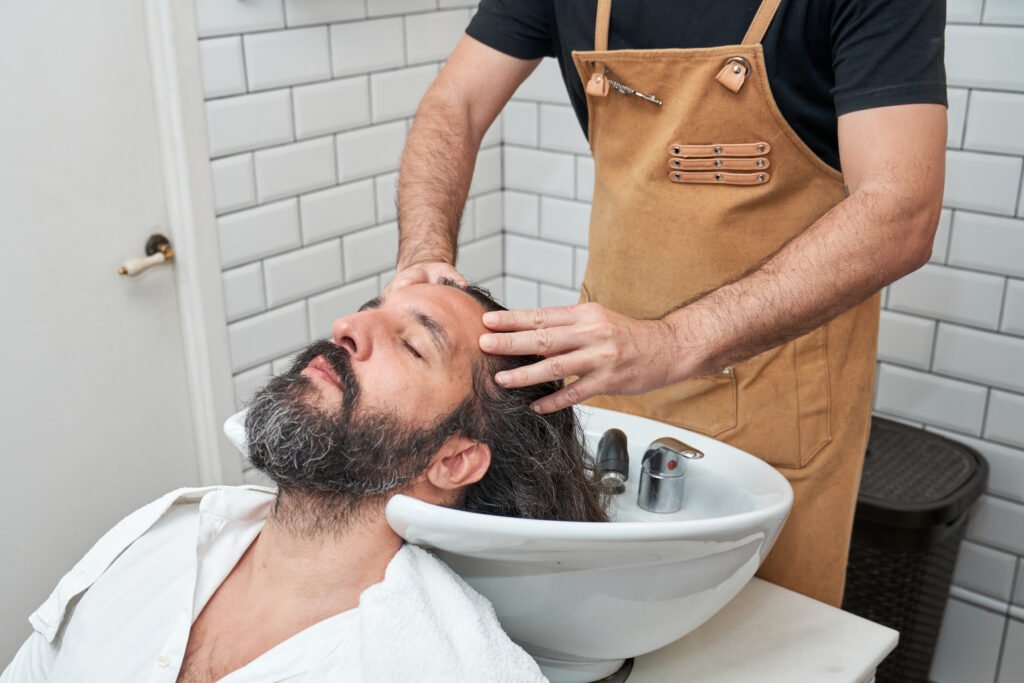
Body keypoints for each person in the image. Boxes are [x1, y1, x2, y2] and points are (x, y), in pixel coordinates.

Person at [389, 0, 947, 606]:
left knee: (756, 643)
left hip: (775, 401)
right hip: (604, 384)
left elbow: (901, 210)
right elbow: (457, 103)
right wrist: (423, 253)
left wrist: (672, 342)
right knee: (605, 620)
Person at [2, 281, 608, 683]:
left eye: (412, 343)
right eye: (370, 309)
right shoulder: (166, 530)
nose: (345, 327)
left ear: (451, 462)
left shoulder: (449, 666)